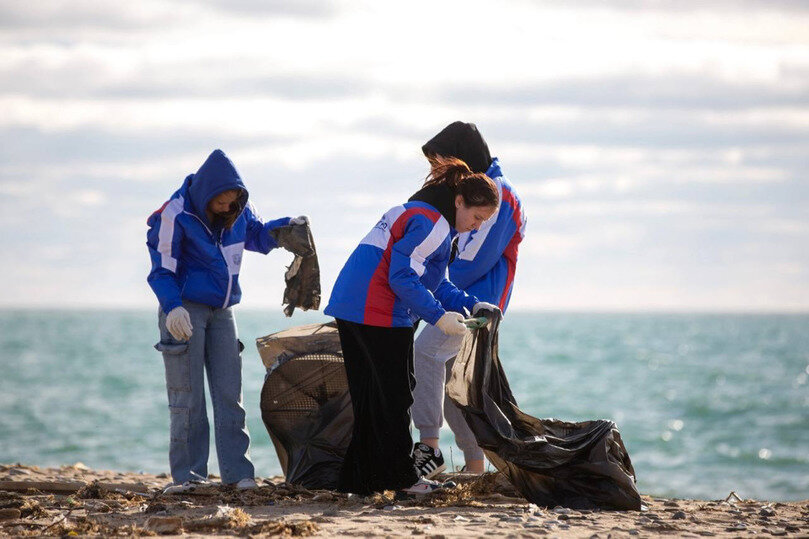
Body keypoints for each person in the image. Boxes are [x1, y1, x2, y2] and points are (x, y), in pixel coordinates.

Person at [324, 156, 501, 496]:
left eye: (484, 223)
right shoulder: (433, 222)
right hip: (377, 311)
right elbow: (402, 277)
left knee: (370, 399)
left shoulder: (422, 213)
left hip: (350, 305)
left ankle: (358, 480)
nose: (476, 227)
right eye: (476, 217)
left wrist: (469, 304)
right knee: (396, 396)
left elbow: (434, 282)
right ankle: (403, 479)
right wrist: (437, 316)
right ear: (459, 201)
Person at [146, 149, 307, 493]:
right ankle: (189, 477)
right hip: (183, 311)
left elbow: (258, 236)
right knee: (187, 398)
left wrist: (286, 229)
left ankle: (239, 475)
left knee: (229, 395)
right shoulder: (175, 213)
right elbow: (161, 270)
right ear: (206, 195)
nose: (227, 209)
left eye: (233, 202)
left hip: (223, 312)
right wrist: (173, 307)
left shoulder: (239, 210)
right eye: (221, 202)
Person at [411, 122, 527, 478]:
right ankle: (475, 466)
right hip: (465, 301)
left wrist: (425, 284)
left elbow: (472, 260)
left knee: (425, 354)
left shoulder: (498, 194)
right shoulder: (492, 189)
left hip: (473, 304)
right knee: (453, 386)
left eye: (441, 162)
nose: (437, 173)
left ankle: (429, 448)